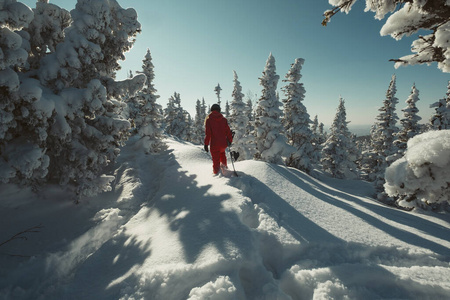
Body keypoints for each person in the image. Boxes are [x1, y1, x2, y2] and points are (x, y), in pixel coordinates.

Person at [204, 104, 233, 175]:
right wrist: (230, 140)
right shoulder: (224, 120)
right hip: (223, 144)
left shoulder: (209, 120)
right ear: (219, 110)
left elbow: (208, 134)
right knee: (222, 154)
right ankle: (225, 169)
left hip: (215, 144)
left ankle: (217, 173)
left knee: (216, 160)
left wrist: (206, 144)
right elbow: (228, 132)